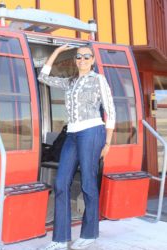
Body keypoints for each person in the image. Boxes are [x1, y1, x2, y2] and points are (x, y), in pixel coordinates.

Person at [37, 44, 116, 250]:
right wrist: (57, 52)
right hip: (72, 134)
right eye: (79, 57)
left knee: (88, 182)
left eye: (86, 57)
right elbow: (43, 77)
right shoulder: (71, 82)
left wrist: (107, 142)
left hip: (92, 132)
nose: (82, 60)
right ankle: (60, 239)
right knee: (61, 183)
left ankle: (90, 233)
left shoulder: (99, 80)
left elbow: (111, 110)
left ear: (93, 60)